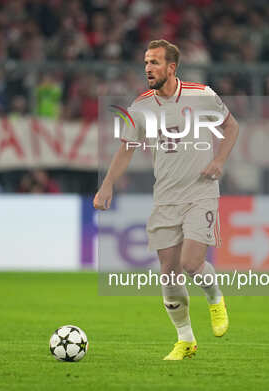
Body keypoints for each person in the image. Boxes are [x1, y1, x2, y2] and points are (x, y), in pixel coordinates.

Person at [94, 40, 240, 360]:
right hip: (165, 197)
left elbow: (231, 127)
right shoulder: (140, 107)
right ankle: (185, 339)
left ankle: (215, 299)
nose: (148, 68)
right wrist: (107, 186)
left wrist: (219, 162)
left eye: (155, 62)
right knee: (168, 272)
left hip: (200, 191)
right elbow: (126, 149)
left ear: (171, 68)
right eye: (146, 62)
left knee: (190, 263)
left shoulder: (201, 95)